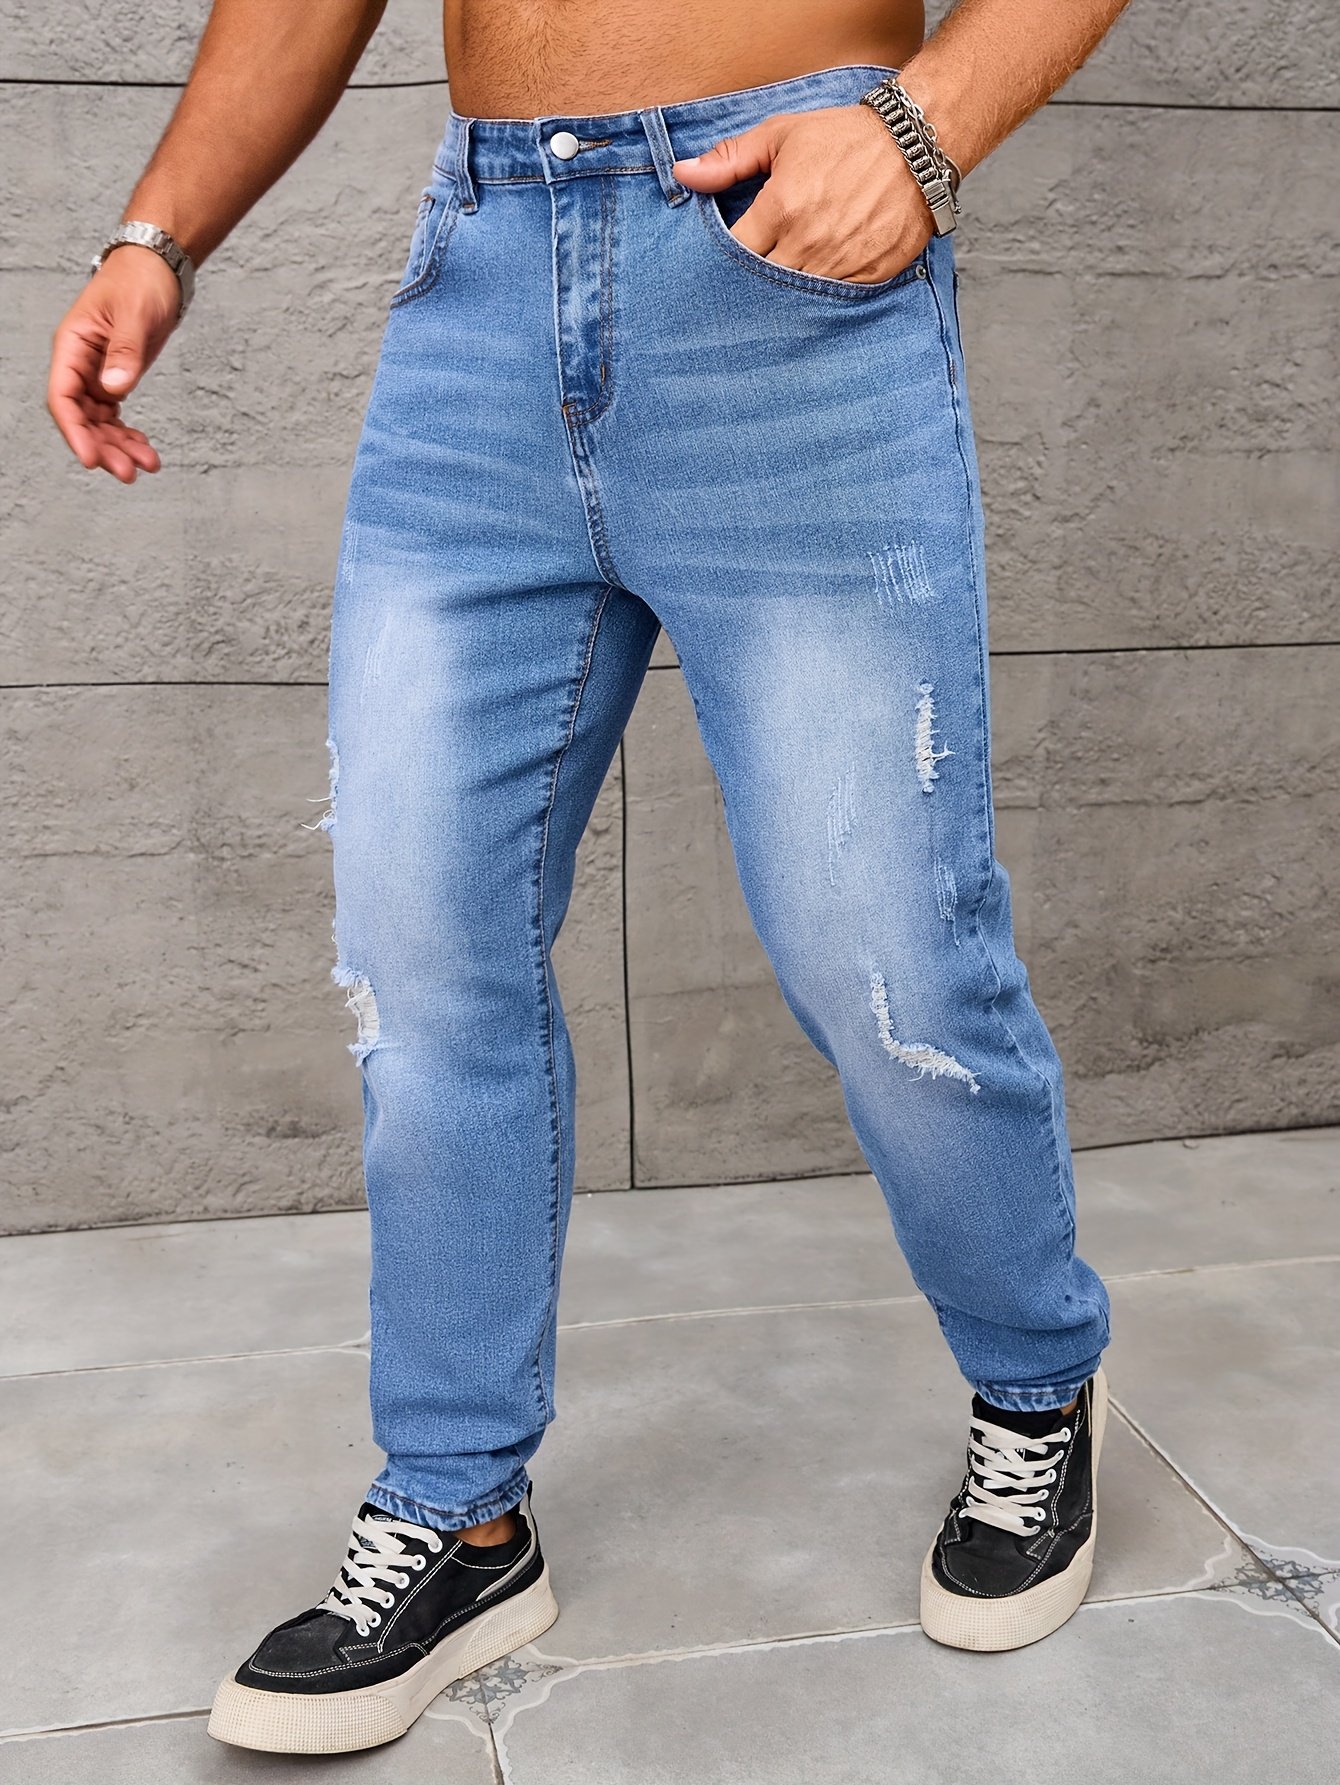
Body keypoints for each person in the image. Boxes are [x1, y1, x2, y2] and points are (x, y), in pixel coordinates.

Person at [48, 0, 1132, 1756]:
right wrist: (157, 236)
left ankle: (1036, 1384)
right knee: (424, 953)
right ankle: (461, 1511)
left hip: (781, 279)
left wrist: (923, 125)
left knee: (882, 954)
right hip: (484, 288)